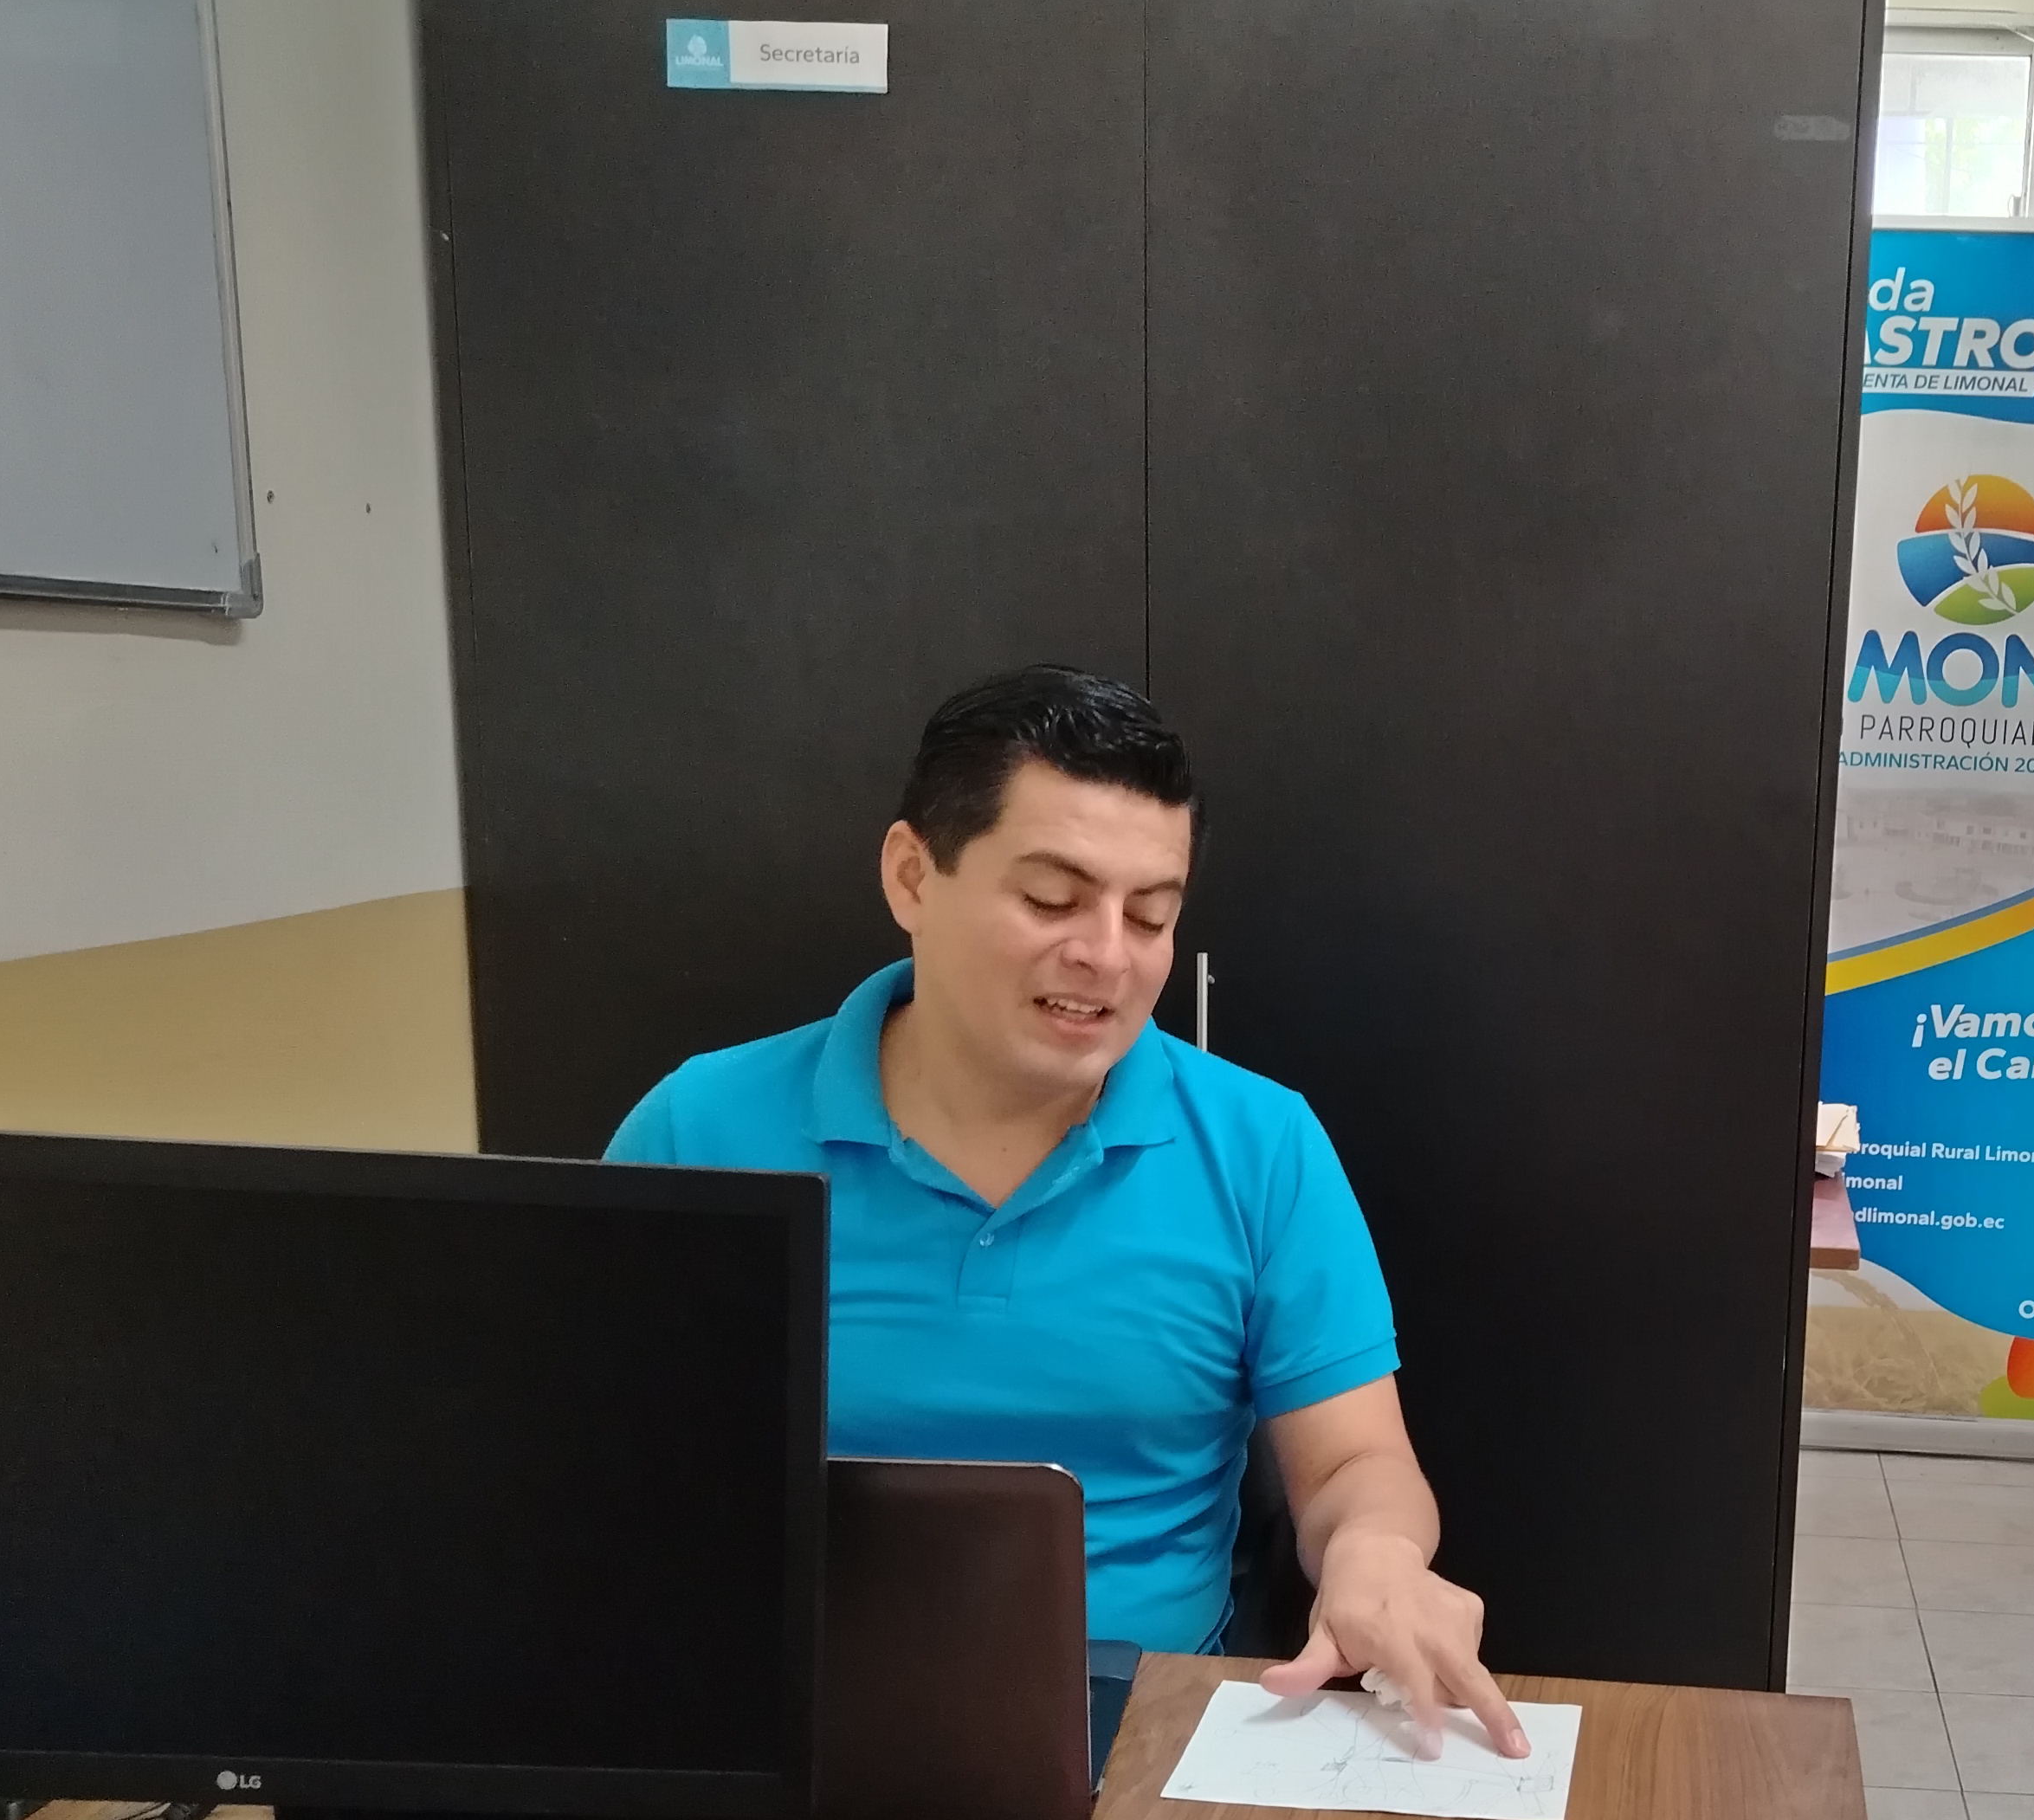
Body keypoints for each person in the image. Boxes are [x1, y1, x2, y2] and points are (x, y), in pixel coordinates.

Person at [606, 664, 1526, 1758]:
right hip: (775, 1712)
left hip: (1147, 1725)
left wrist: (1376, 1555)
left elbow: (1351, 1465)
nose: (1104, 957)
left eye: (1151, 915)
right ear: (912, 875)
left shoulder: (1260, 1143)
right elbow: (597, 1460)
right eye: (1051, 900)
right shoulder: (700, 1126)